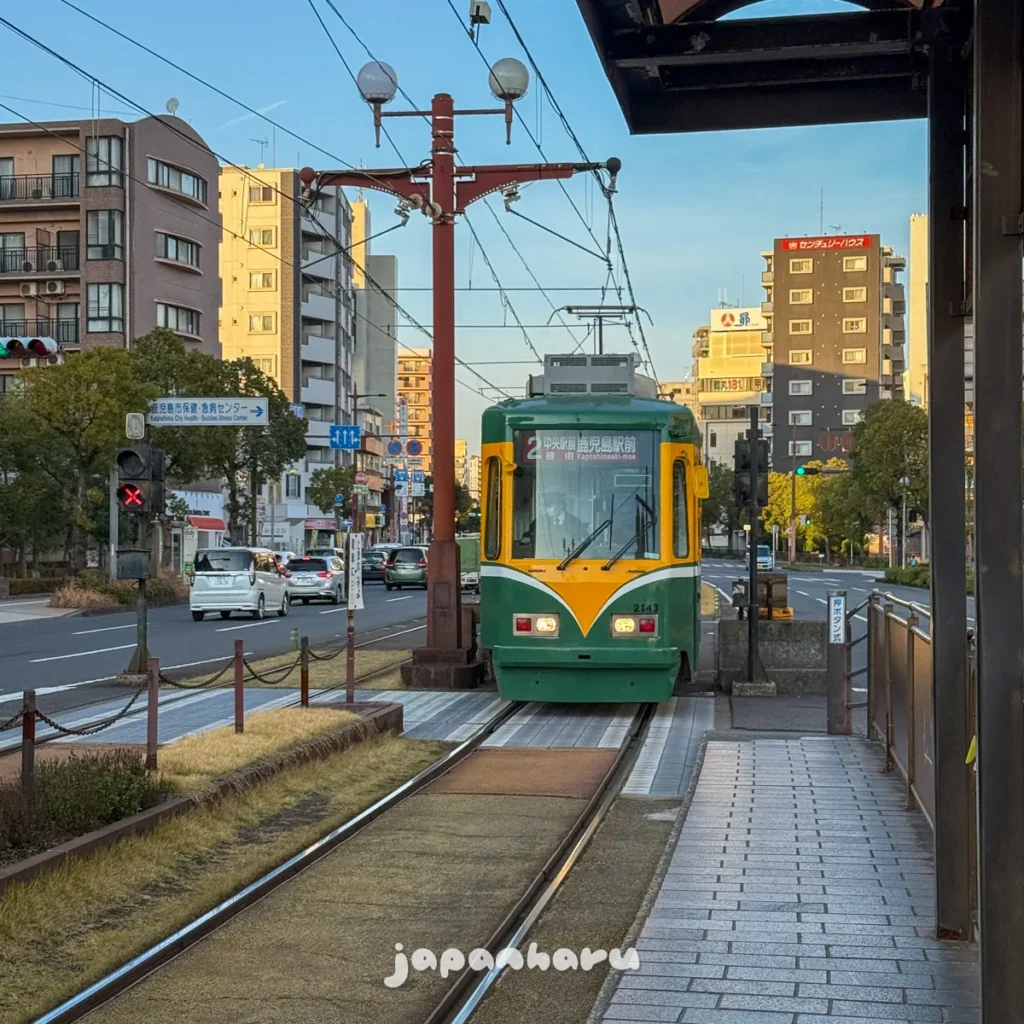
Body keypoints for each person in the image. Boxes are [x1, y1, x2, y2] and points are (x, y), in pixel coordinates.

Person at [522, 492, 585, 559]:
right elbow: (528, 537)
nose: (547, 510)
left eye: (550, 506)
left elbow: (582, 541)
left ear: (561, 505)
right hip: (544, 560)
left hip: (568, 560)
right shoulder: (539, 522)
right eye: (546, 507)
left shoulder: (575, 522)